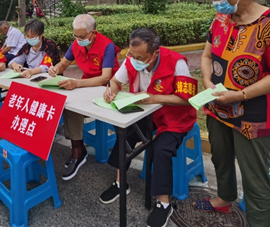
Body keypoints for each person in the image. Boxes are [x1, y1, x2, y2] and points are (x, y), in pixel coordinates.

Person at [193, 0, 270, 227]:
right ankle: (224, 198)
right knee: (221, 158)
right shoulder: (221, 19)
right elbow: (207, 55)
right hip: (218, 106)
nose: (216, 4)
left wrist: (239, 95)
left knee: (254, 176)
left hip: (254, 112)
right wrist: (207, 81)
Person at [99, 28, 197, 227]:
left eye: (140, 58)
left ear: (155, 54)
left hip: (174, 118)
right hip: (146, 114)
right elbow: (116, 80)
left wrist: (155, 98)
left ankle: (163, 203)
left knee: (161, 150)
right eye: (132, 55)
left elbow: (188, 99)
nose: (134, 60)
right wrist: (111, 90)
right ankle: (120, 183)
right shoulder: (131, 60)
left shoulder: (177, 62)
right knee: (124, 133)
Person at [48, 14, 120, 180]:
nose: (78, 39)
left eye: (81, 36)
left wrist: (77, 84)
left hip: (106, 89)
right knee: (68, 104)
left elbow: (105, 77)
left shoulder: (107, 46)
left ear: (93, 33)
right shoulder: (76, 44)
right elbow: (63, 64)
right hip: (85, 86)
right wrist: (55, 69)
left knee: (74, 104)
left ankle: (84, 151)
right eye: (75, 35)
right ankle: (78, 150)